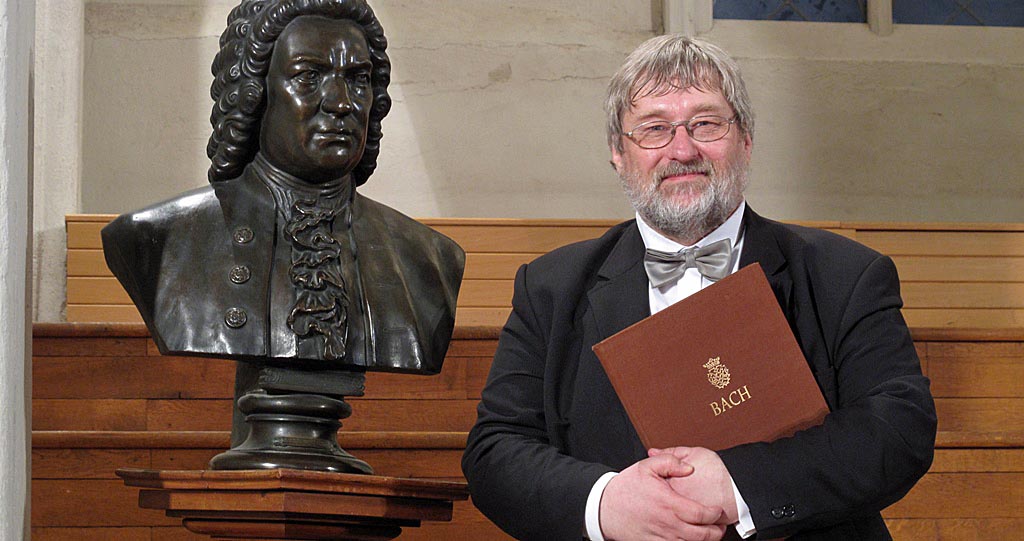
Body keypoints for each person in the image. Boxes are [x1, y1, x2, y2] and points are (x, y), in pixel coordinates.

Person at [462, 35, 936, 541]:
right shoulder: (550, 287)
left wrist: (739, 485)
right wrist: (606, 503)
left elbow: (899, 427)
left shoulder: (846, 273)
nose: (682, 150)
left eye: (706, 124)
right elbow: (495, 450)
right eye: (654, 129)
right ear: (618, 153)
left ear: (746, 140)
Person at [102, 0, 464, 375]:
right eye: (308, 77)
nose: (341, 103)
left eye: (358, 80)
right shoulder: (160, 238)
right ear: (255, 92)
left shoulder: (429, 259)